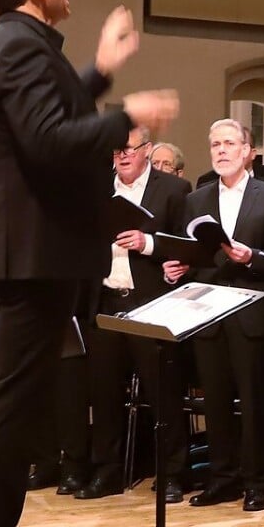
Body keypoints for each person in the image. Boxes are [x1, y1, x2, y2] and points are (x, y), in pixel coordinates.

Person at [0, 0, 178, 527]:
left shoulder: (12, 43)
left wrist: (102, 72)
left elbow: (47, 115)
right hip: (35, 249)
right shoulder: (20, 49)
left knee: (1, 392)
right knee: (14, 397)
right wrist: (127, 116)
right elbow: (50, 140)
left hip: (21, 247)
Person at [77, 129, 192, 501]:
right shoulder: (96, 189)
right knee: (104, 389)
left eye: (130, 149)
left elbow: (185, 246)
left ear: (147, 151)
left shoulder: (172, 190)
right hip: (106, 299)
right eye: (116, 150)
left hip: (152, 302)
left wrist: (150, 244)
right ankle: (107, 470)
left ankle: (173, 471)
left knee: (163, 390)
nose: (123, 156)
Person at [183, 118, 264, 512]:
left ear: (247, 151)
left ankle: (258, 481)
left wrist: (253, 257)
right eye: (215, 144)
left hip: (252, 310)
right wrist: (178, 266)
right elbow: (193, 254)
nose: (221, 151)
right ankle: (222, 477)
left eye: (229, 143)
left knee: (253, 400)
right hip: (209, 312)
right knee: (216, 402)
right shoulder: (197, 198)